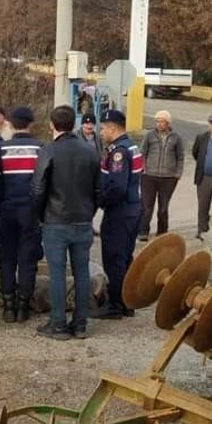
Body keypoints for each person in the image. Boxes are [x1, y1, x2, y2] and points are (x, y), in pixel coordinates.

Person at [31, 105, 101, 341]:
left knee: (58, 273)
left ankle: (58, 324)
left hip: (55, 220)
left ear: (52, 124)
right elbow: (99, 188)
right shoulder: (90, 151)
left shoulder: (48, 151)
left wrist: (39, 215)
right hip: (82, 220)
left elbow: (38, 188)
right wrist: (90, 213)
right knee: (82, 273)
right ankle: (80, 324)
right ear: (74, 124)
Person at [0, 106, 42, 323]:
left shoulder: (2, 148)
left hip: (6, 210)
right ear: (31, 124)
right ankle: (23, 306)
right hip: (30, 212)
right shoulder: (40, 148)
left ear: (11, 123)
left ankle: (8, 306)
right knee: (28, 259)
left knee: (7, 258)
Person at [92, 109, 143, 319]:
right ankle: (126, 302)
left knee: (114, 259)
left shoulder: (119, 152)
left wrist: (101, 201)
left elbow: (117, 187)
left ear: (113, 128)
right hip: (133, 210)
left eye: (103, 128)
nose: (101, 132)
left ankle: (115, 305)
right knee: (125, 258)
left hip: (119, 212)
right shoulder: (132, 145)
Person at [138, 110, 185, 241]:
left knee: (163, 208)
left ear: (168, 122)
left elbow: (180, 157)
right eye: (157, 121)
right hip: (149, 176)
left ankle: (162, 233)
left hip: (168, 178)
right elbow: (142, 153)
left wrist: (178, 173)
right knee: (147, 207)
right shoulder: (149, 135)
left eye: (162, 121)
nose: (159, 124)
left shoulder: (176, 137)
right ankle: (143, 232)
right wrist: (143, 169)